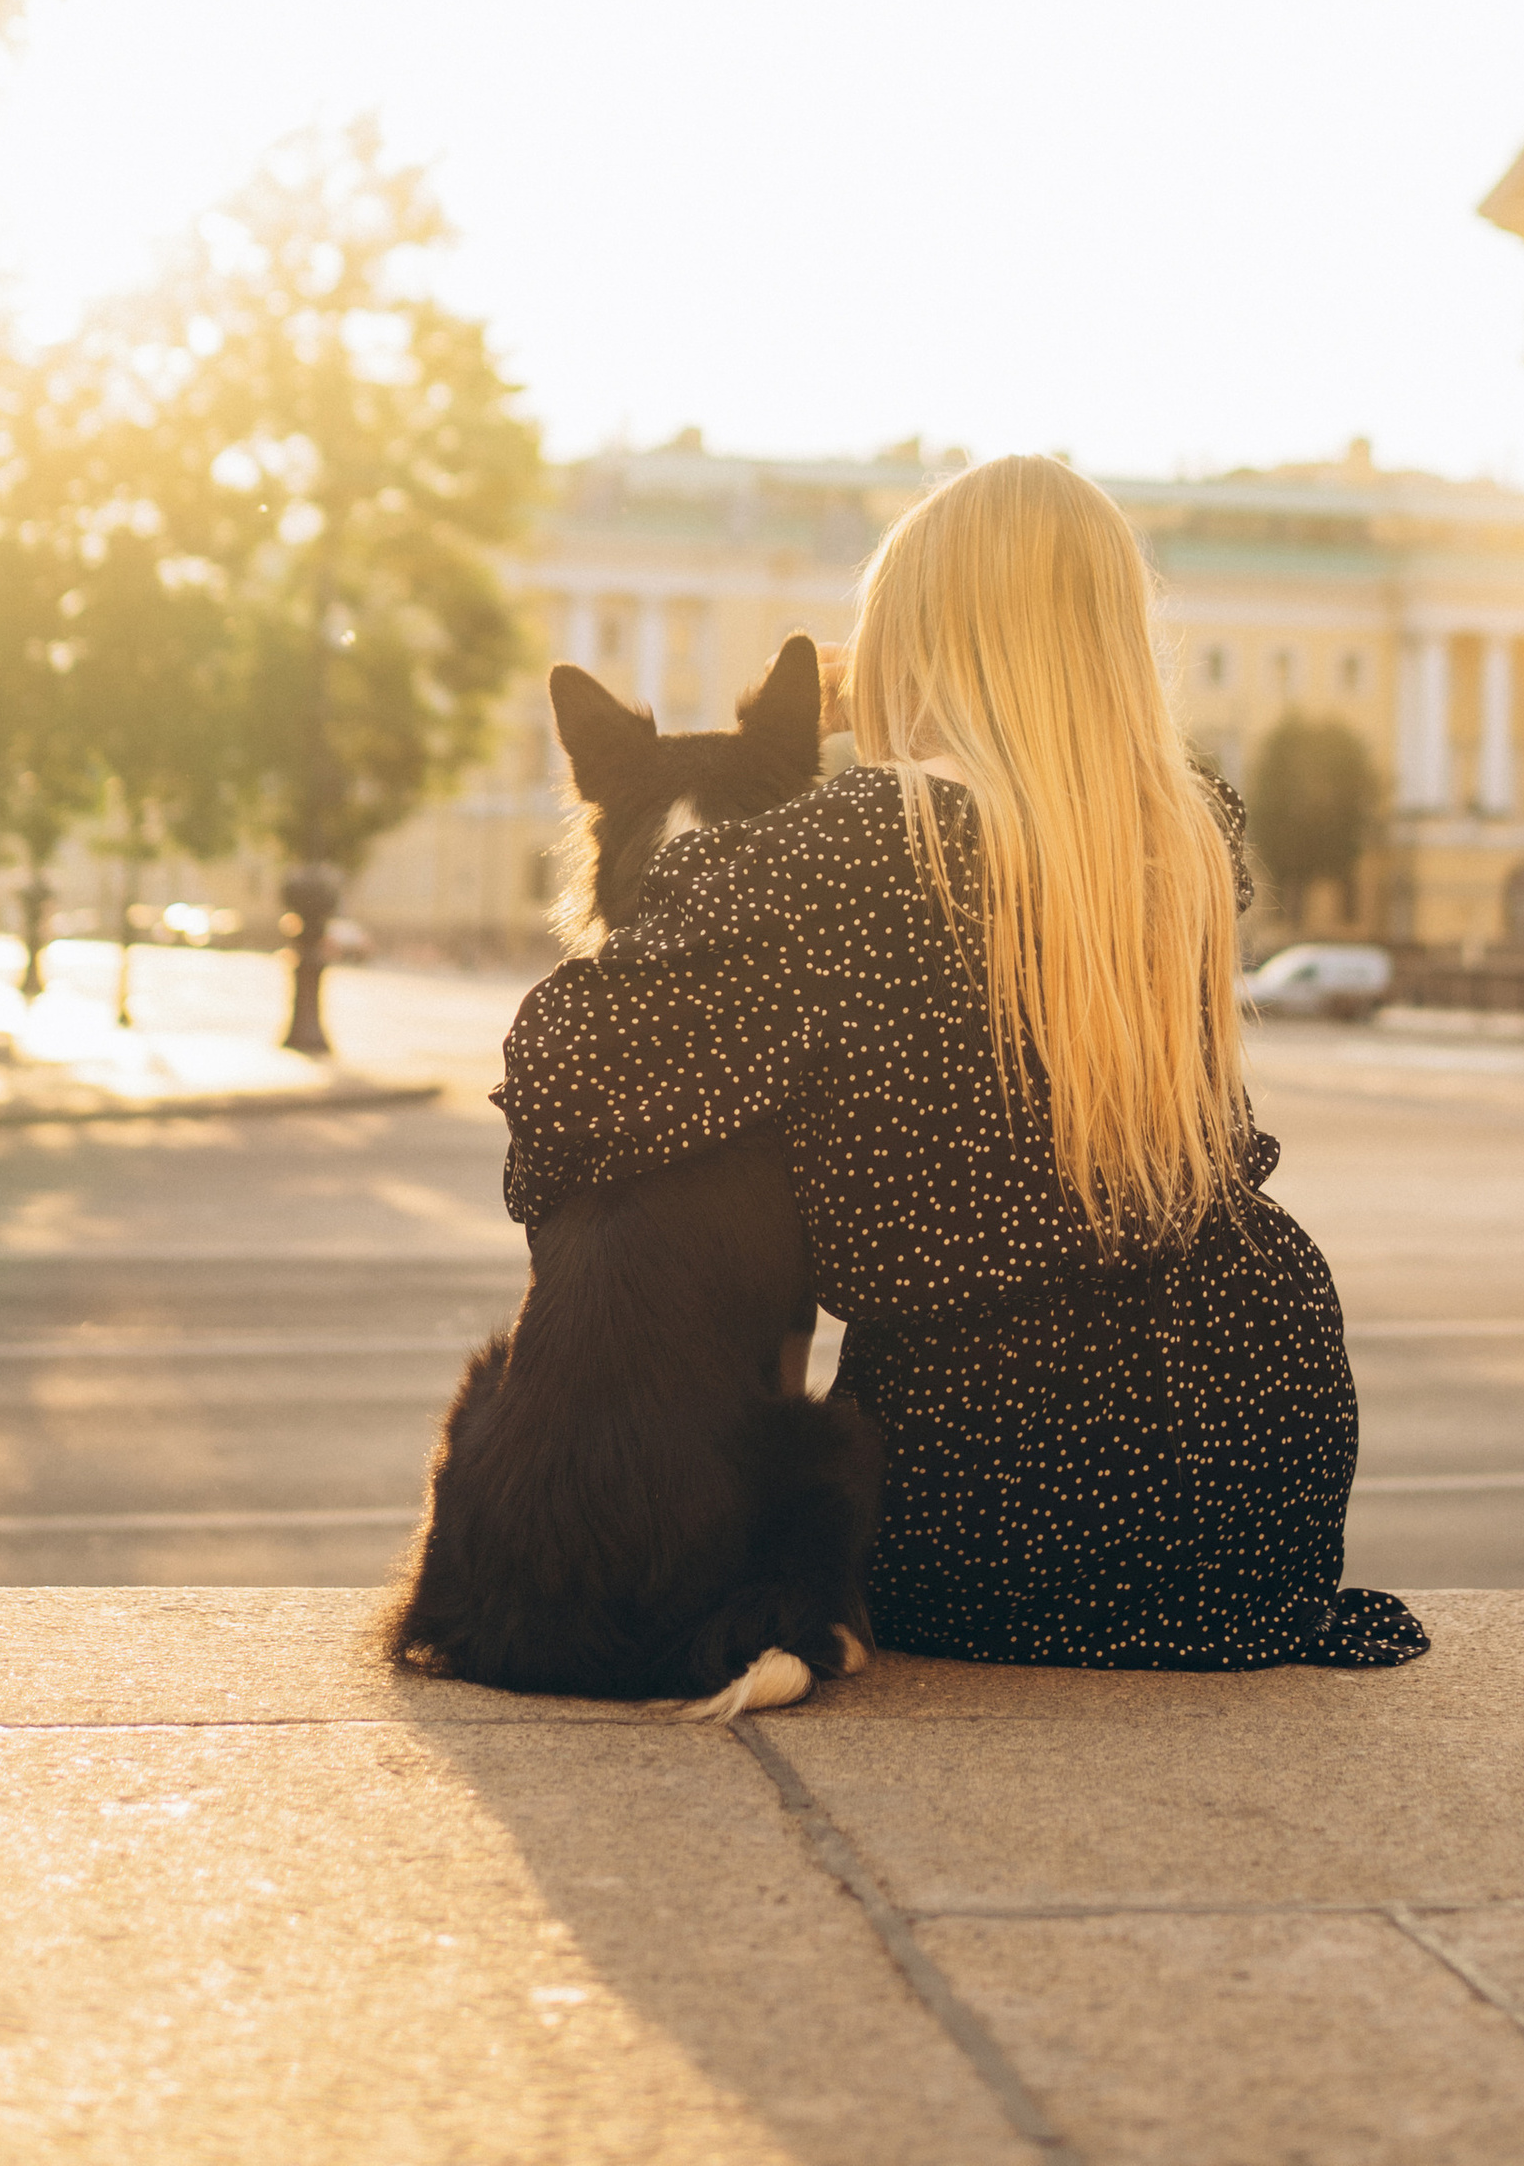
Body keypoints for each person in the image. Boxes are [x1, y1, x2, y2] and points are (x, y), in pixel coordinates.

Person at [495, 453, 1426, 1673]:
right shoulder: (1189, 832)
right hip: (1259, 1462)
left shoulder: (837, 851)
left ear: (906, 641)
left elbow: (562, 1083)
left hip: (991, 1473)